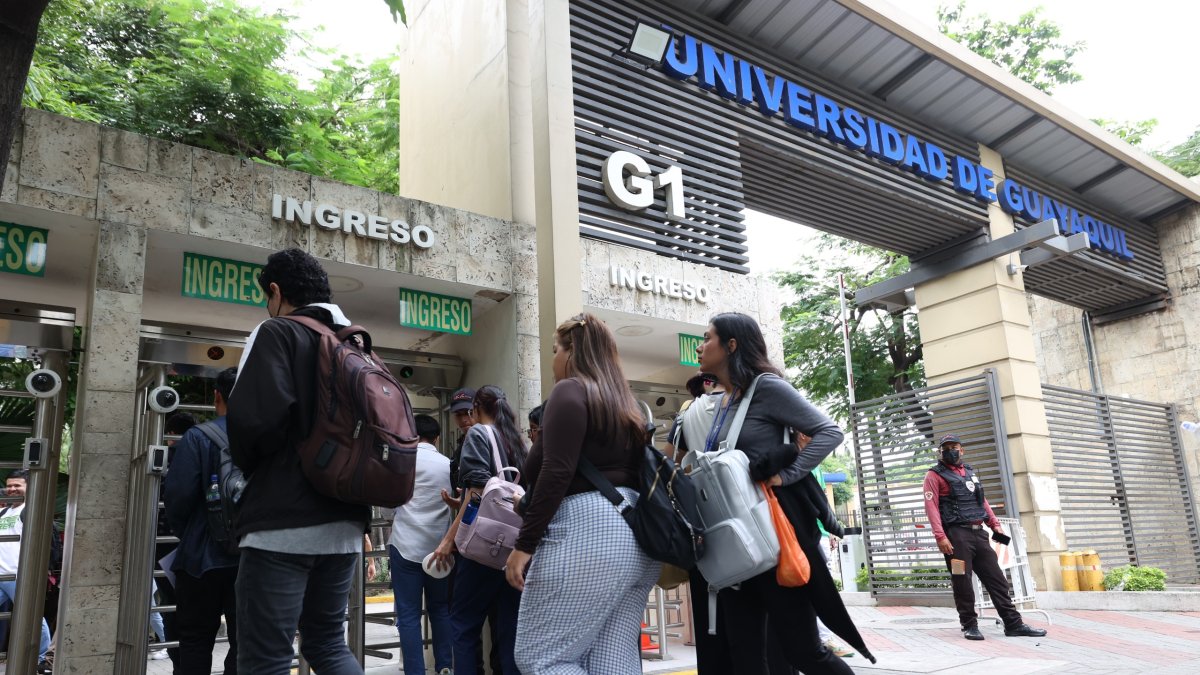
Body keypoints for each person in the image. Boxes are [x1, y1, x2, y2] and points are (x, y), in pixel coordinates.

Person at [677, 312, 874, 674]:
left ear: (731, 345)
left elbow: (829, 432)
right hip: (738, 547)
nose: (701, 346)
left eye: (708, 338)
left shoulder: (765, 387)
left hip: (773, 537)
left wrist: (787, 474)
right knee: (746, 652)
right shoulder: (723, 400)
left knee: (803, 650)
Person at [227, 248, 370, 674]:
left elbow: (255, 423)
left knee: (265, 658)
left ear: (275, 291)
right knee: (328, 645)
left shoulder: (277, 332)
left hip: (281, 523)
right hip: (344, 522)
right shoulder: (355, 341)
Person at [504, 313, 660, 673]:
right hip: (637, 538)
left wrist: (524, 546)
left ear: (573, 352)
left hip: (589, 533)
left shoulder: (570, 390)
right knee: (612, 661)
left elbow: (556, 472)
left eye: (556, 349)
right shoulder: (627, 404)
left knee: (542, 659)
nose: (553, 359)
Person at [432, 385, 526, 675]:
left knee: (463, 624)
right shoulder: (518, 442)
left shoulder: (478, 434)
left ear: (476, 410)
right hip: (515, 549)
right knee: (508, 629)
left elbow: (476, 492)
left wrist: (449, 540)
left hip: (484, 547)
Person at [923, 434, 1047, 641]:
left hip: (979, 534)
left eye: (954, 447)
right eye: (946, 448)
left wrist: (995, 525)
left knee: (997, 579)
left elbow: (982, 501)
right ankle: (969, 625)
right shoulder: (934, 475)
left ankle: (1013, 624)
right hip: (955, 539)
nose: (950, 451)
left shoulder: (969, 472)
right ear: (940, 452)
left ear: (962, 450)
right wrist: (940, 536)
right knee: (961, 580)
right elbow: (931, 508)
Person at [162, 367, 240, 674]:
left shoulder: (197, 438)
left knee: (194, 641)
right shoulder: (268, 437)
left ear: (217, 396)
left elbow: (178, 497)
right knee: (245, 641)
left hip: (200, 560)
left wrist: (194, 532)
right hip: (253, 557)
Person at [388, 414, 453, 675]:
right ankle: (445, 667)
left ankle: (415, 671)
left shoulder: (402, 463)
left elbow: (388, 505)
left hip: (405, 545)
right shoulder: (448, 465)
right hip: (440, 548)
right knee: (440, 610)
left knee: (408, 616)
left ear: (413, 435)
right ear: (436, 437)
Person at [0, 470, 53, 670]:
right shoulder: (4, 512)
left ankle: (42, 659)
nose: (12, 489)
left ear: (29, 487)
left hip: (19, 576)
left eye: (17, 485)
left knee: (33, 618)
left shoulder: (31, 511)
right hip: (1, 575)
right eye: (9, 485)